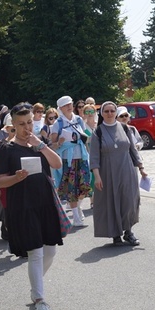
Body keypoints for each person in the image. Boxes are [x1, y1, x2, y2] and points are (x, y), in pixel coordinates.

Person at [0, 102, 65, 310]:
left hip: (45, 202)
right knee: (35, 251)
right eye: (21, 124)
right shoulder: (7, 148)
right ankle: (40, 301)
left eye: (29, 123)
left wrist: (41, 146)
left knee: (50, 251)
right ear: (13, 125)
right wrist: (16, 177)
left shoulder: (39, 143)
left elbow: (58, 164)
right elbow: (0, 181)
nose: (27, 128)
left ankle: (36, 289)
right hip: (23, 205)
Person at [89, 101, 147, 246]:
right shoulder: (98, 132)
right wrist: (97, 176)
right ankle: (115, 233)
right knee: (112, 201)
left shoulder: (125, 128)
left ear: (116, 112)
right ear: (102, 113)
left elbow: (132, 150)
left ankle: (128, 232)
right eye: (106, 111)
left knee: (129, 200)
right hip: (107, 171)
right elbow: (94, 156)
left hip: (127, 169)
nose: (109, 114)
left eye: (112, 111)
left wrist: (141, 167)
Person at [50, 95, 91, 226]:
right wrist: (60, 142)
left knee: (85, 185)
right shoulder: (58, 123)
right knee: (71, 188)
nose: (69, 107)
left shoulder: (78, 119)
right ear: (60, 108)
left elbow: (86, 137)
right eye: (66, 105)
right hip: (68, 159)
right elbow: (53, 145)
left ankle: (77, 207)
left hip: (82, 156)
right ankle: (76, 216)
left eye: (70, 104)